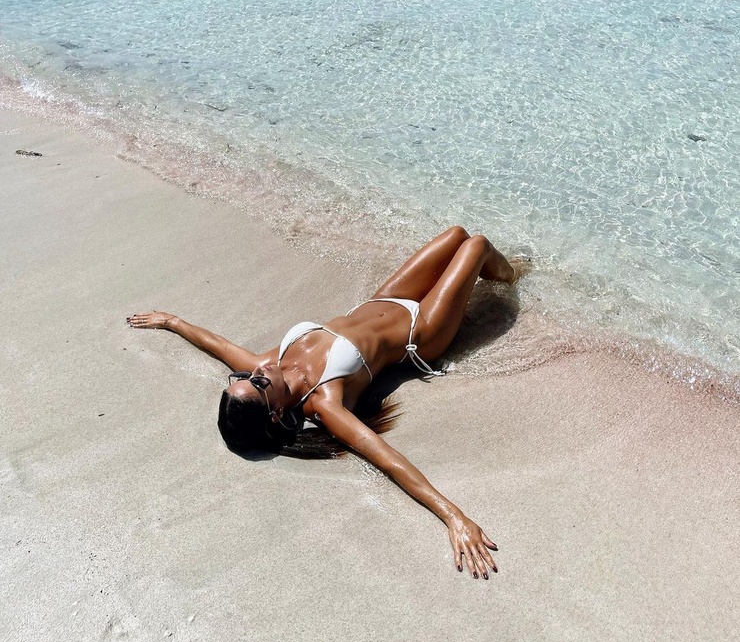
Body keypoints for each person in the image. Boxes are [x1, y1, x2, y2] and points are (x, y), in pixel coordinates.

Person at [127, 226, 527, 579]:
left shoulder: (267, 364)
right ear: (277, 412)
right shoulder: (325, 402)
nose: (254, 372)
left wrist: (173, 322)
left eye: (242, 378)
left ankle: (507, 275)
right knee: (476, 246)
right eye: (257, 383)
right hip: (420, 329)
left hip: (385, 300)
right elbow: (388, 460)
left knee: (456, 234)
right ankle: (515, 279)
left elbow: (216, 344)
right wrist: (454, 517)